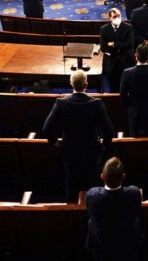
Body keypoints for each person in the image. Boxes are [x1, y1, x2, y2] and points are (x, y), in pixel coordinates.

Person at [42, 70, 114, 202]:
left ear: (71, 84)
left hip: (70, 152)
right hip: (91, 152)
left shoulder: (61, 103)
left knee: (71, 185)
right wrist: (104, 146)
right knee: (92, 186)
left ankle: (71, 214)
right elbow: (108, 131)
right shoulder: (96, 103)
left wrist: (55, 142)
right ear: (86, 84)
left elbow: (46, 128)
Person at [85, 157, 143, 261]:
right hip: (128, 243)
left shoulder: (92, 195)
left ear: (102, 176)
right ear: (124, 176)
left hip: (101, 244)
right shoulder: (134, 193)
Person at [119, 44, 148, 137]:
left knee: (134, 139)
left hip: (134, 111)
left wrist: (130, 106)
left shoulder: (127, 73)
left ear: (136, 56)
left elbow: (122, 94)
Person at [100, 8, 135, 92]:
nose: (117, 18)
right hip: (112, 62)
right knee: (113, 87)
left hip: (125, 61)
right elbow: (103, 48)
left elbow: (130, 44)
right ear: (110, 18)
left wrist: (114, 44)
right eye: (114, 16)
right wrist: (121, 45)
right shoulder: (104, 29)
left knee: (127, 87)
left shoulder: (128, 27)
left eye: (119, 16)